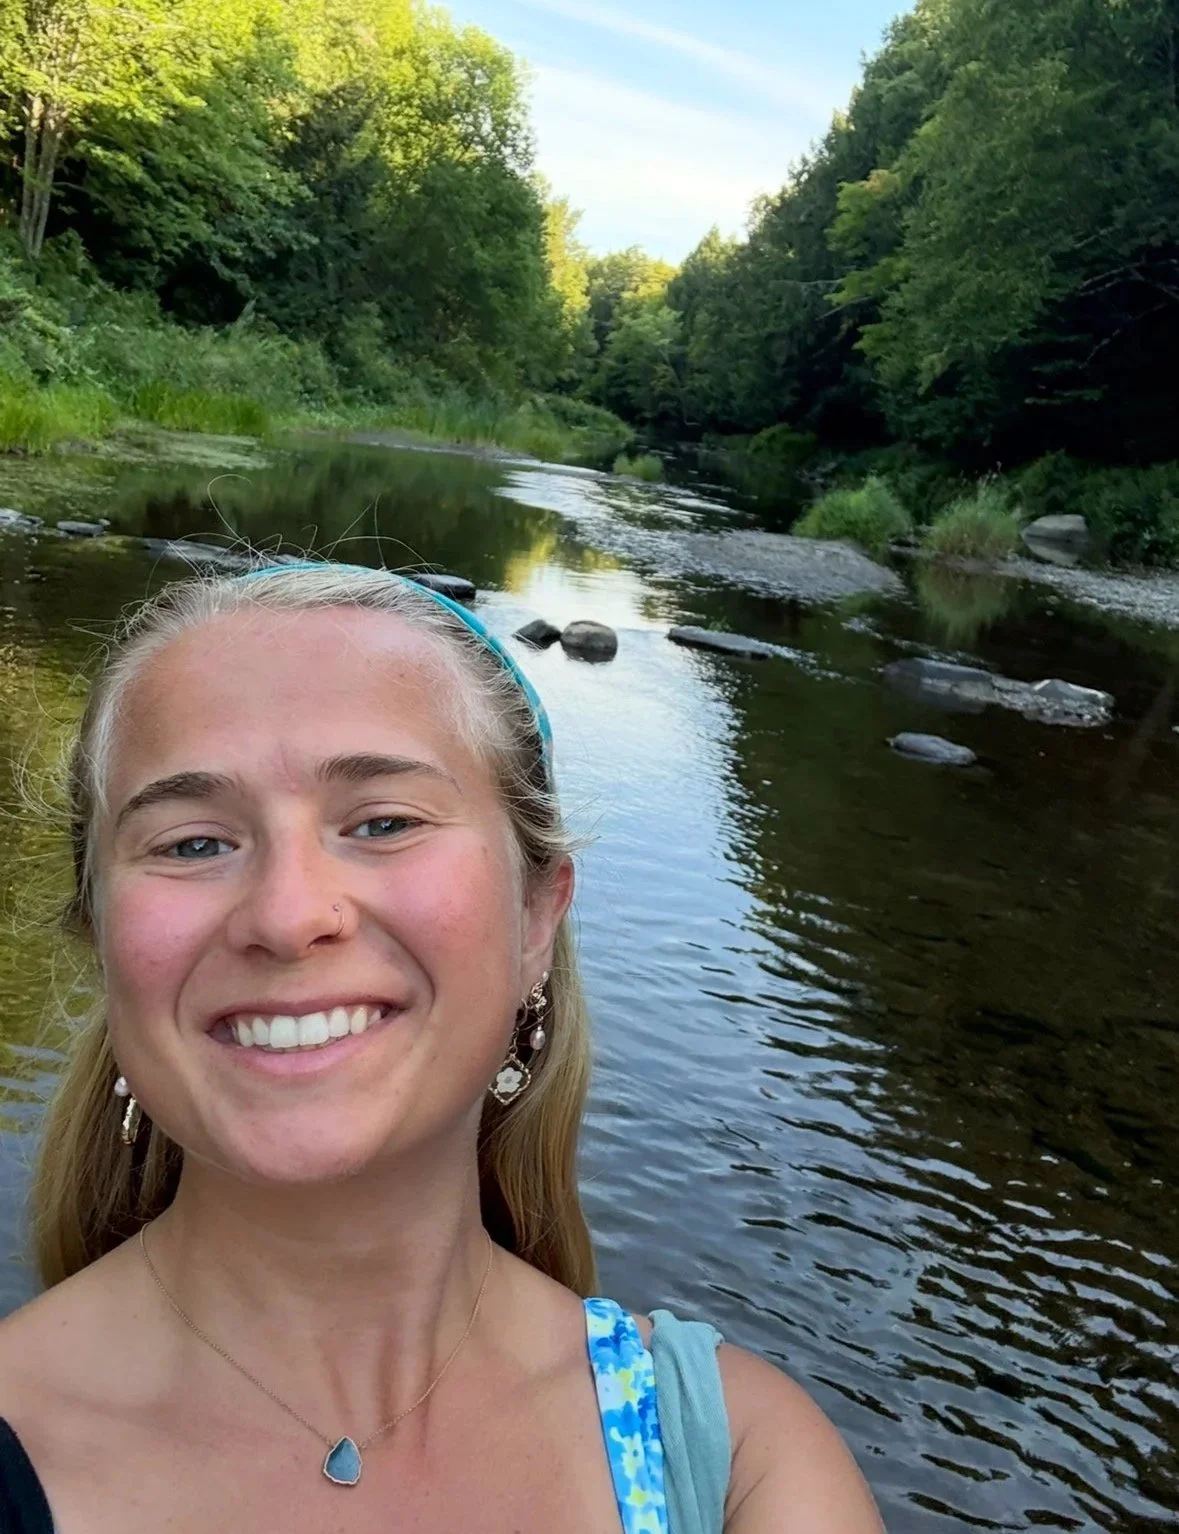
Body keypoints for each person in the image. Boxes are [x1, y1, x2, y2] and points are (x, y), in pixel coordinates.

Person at [0, 562, 885, 1533]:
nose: (290, 915)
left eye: (384, 822)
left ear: (536, 917)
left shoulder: (733, 1472)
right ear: (102, 935)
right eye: (193, 843)